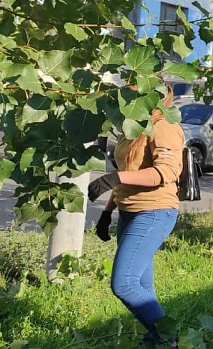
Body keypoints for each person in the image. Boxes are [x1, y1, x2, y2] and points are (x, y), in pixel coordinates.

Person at [88, 85, 184, 346]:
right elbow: (126, 170)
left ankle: (169, 340)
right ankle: (156, 340)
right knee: (143, 286)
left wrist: (114, 178)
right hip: (128, 212)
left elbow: (166, 172)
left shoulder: (164, 125)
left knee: (125, 284)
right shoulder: (133, 125)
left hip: (154, 212)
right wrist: (107, 212)